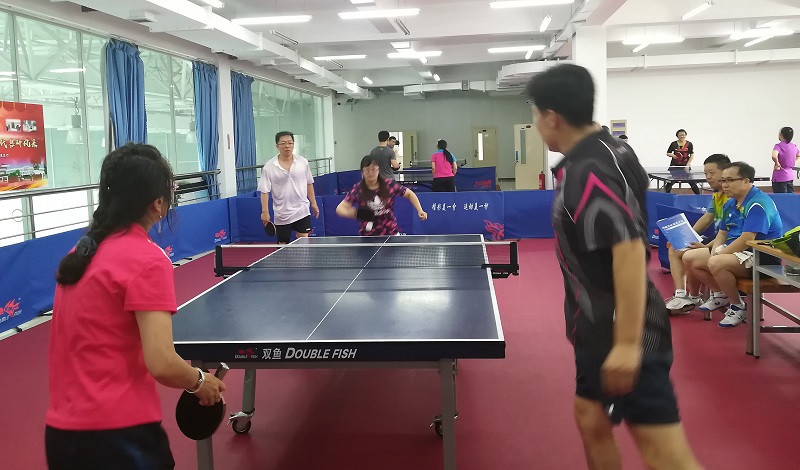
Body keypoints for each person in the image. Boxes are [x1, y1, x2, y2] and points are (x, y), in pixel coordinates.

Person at [527, 64, 702, 470]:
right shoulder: (612, 149)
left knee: (665, 455)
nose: (535, 125)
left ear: (552, 117)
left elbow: (627, 249)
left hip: (622, 326)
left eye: (535, 115)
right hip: (597, 323)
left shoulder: (587, 170)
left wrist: (626, 344)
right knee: (590, 417)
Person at [46, 143, 225, 469]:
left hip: (62, 435)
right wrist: (201, 381)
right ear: (158, 203)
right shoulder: (147, 259)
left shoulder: (79, 254)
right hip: (119, 437)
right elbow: (162, 362)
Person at [686, 161, 783, 327]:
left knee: (716, 262)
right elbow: (723, 233)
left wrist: (717, 256)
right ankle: (720, 294)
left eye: (730, 180)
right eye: (723, 180)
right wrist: (715, 252)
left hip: (763, 257)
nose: (724, 185)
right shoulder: (730, 203)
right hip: (741, 253)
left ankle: (738, 306)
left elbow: (746, 240)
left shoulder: (758, 204)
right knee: (690, 258)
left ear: (746, 181)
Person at [665, 154, 731, 313]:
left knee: (689, 255)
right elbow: (708, 217)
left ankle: (702, 295)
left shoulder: (733, 197)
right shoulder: (717, 193)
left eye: (712, 173)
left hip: (727, 242)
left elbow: (730, 232)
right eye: (706, 173)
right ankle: (682, 296)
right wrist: (687, 236)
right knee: (675, 249)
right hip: (717, 238)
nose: (708, 177)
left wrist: (706, 246)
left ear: (725, 172)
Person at [336, 155, 427, 235]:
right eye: (367, 170)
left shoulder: (389, 184)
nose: (371, 172)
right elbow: (340, 208)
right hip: (368, 236)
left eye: (373, 169)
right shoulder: (358, 189)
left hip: (391, 233)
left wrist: (420, 210)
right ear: (362, 172)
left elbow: (409, 194)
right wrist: (355, 213)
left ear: (378, 170)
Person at [259, 131, 320, 244]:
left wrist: (314, 203)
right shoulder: (269, 166)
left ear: (293, 144)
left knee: (303, 242)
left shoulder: (303, 162)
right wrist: (265, 212)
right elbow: (264, 191)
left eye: (290, 143)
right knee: (283, 245)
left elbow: (309, 183)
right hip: (282, 213)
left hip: (302, 210)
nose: (287, 146)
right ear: (277, 146)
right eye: (283, 143)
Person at [665, 129, 699, 194]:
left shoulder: (689, 144)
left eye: (683, 135)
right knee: (670, 182)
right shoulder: (673, 144)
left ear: (686, 135)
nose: (682, 136)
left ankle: (698, 195)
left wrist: (687, 165)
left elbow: (692, 155)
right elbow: (668, 153)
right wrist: (672, 155)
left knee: (692, 182)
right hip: (674, 166)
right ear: (677, 136)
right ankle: (667, 195)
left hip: (685, 165)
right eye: (680, 135)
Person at [770, 126, 800, 193]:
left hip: (780, 177)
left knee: (780, 197)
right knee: (790, 197)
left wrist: (777, 163)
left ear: (781, 134)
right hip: (790, 176)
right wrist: (794, 162)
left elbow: (774, 156)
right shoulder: (794, 146)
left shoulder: (778, 146)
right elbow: (799, 156)